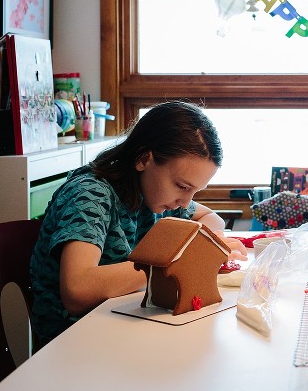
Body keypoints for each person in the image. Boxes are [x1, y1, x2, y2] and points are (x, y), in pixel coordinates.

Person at [30, 100, 247, 347]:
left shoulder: (155, 195)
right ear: (144, 158)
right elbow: (77, 290)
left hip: (122, 327)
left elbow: (211, 218)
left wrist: (206, 245)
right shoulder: (90, 195)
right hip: (73, 344)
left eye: (194, 191)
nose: (185, 203)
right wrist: (179, 261)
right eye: (182, 186)